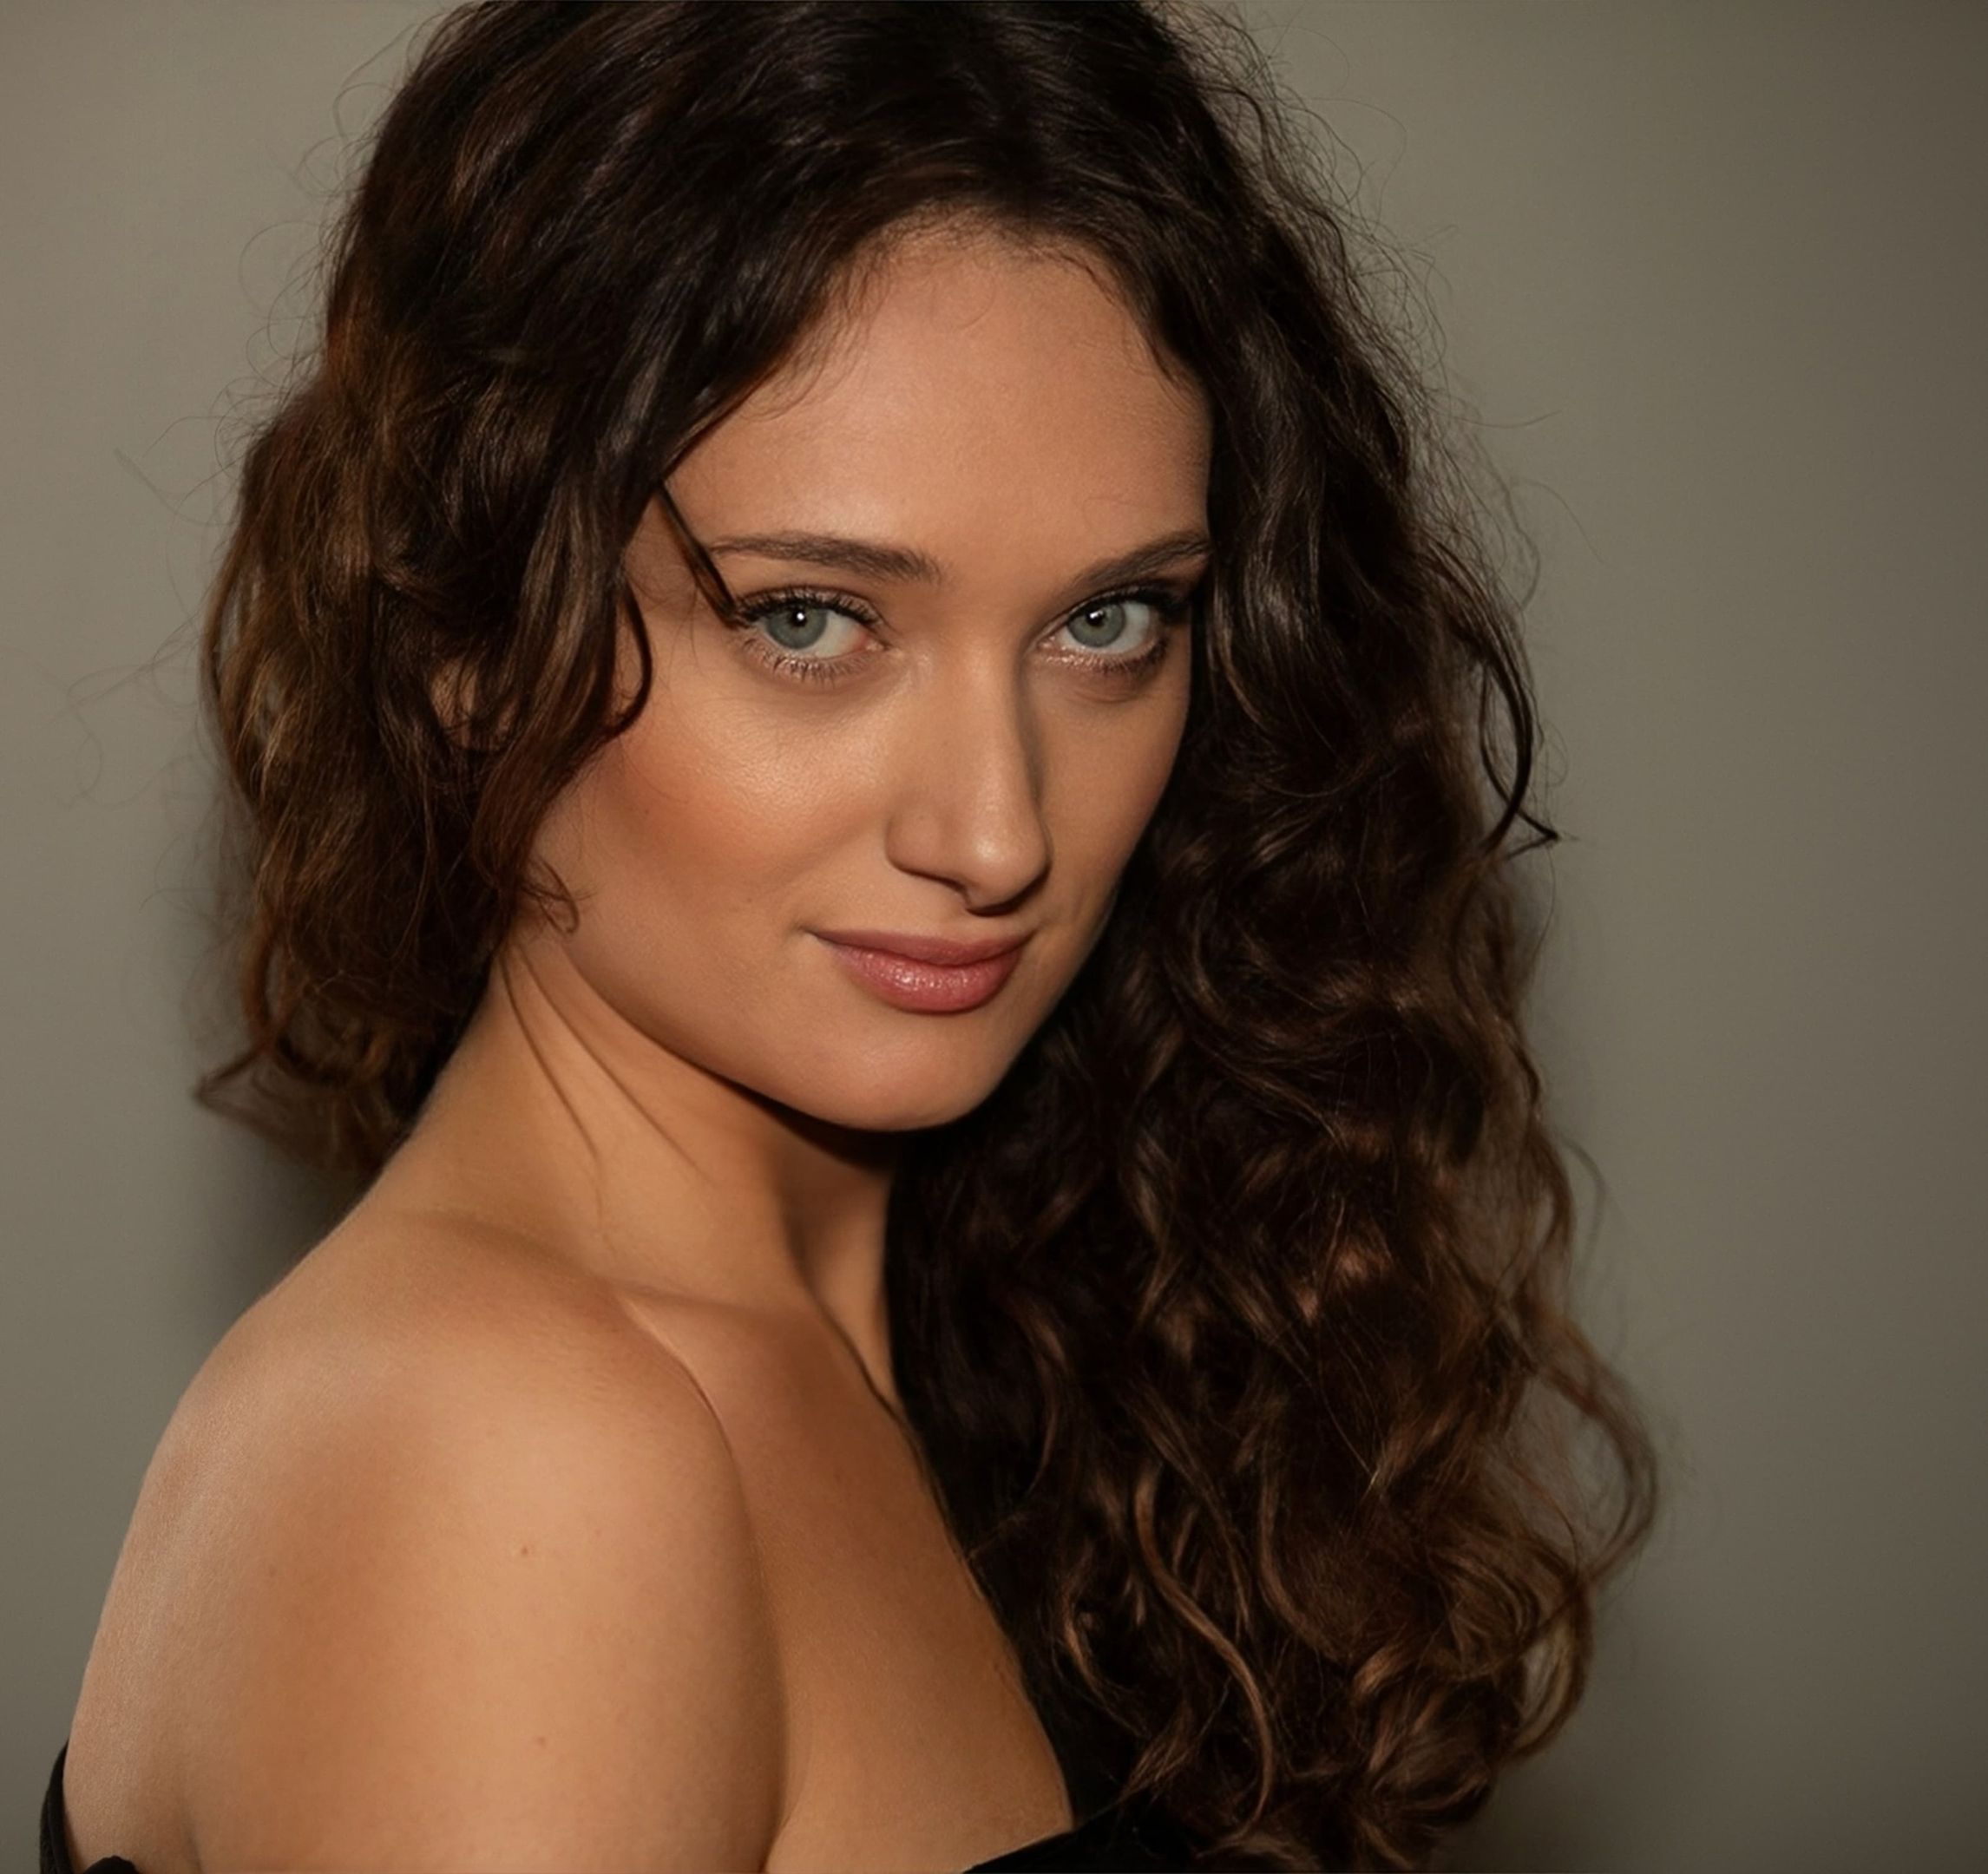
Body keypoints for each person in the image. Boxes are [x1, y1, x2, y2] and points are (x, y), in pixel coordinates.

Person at [44, 3, 1657, 1870]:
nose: (997, 833)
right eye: (809, 621)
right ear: (466, 641)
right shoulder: (506, 1458)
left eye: (1111, 622)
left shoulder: (1015, 1360)